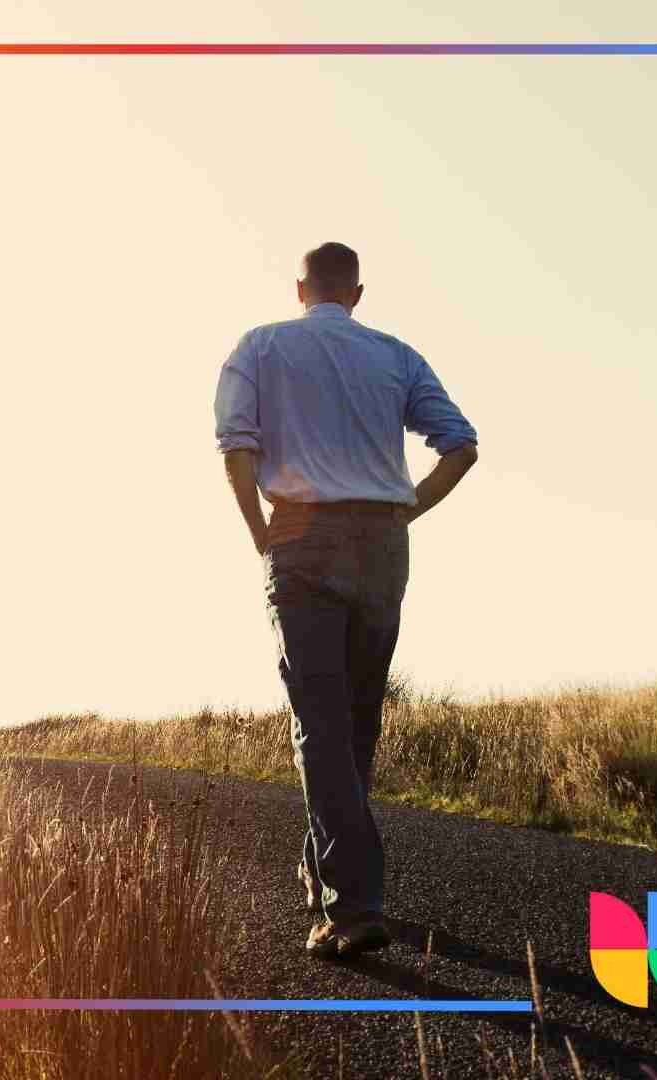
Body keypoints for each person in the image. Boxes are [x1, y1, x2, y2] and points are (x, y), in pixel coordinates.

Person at [213, 242, 478, 958]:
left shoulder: (261, 346)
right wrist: (404, 513)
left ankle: (353, 907)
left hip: (301, 537)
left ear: (300, 287)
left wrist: (260, 533)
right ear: (356, 292)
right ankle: (324, 872)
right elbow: (461, 445)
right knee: (355, 724)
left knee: (320, 726)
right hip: (382, 545)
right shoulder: (395, 355)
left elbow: (236, 446)